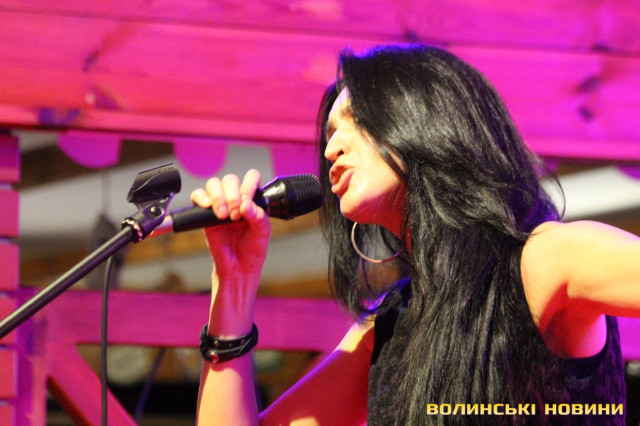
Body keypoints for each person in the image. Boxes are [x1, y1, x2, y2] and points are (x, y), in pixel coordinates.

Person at [193, 44, 637, 425]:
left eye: (355, 119)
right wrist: (233, 284)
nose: (330, 149)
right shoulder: (385, 330)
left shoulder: (544, 260)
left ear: (425, 119)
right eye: (329, 135)